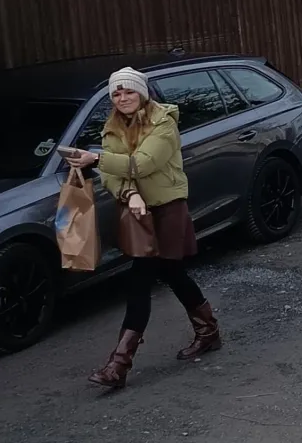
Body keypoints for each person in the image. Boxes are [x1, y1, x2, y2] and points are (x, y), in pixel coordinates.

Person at [68, 68, 217, 389]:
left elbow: (143, 164)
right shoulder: (112, 129)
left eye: (129, 92)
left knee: (146, 278)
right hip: (137, 210)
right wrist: (129, 193)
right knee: (165, 275)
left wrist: (95, 159)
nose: (122, 99)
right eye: (116, 94)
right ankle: (208, 333)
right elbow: (115, 177)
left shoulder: (164, 123)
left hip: (167, 209)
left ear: (142, 93)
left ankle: (118, 365)